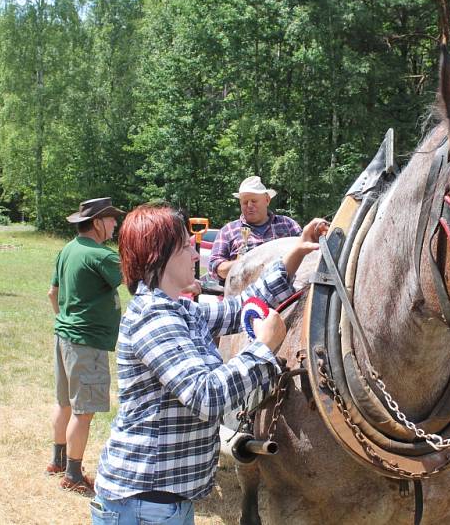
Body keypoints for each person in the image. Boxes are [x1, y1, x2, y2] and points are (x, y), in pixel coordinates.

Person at [91, 203, 327, 524]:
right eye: (186, 247)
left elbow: (241, 306)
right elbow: (206, 396)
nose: (195, 254)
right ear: (157, 256)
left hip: (161, 501)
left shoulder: (181, 312)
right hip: (143, 503)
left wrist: (296, 254)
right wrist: (264, 348)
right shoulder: (154, 318)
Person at [46, 197, 125, 496]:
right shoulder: (102, 256)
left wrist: (66, 321)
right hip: (86, 343)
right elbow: (138, 280)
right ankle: (74, 475)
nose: (115, 225)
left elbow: (52, 293)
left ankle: (57, 461)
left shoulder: (67, 249)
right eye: (112, 219)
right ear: (97, 223)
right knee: (84, 411)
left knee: (64, 403)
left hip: (64, 337)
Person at [208, 176, 301, 281]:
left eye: (254, 201)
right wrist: (244, 265)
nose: (249, 205)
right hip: (243, 295)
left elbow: (307, 254)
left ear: (267, 200)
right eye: (245, 202)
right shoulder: (228, 231)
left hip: (289, 292)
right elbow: (215, 268)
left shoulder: (288, 225)